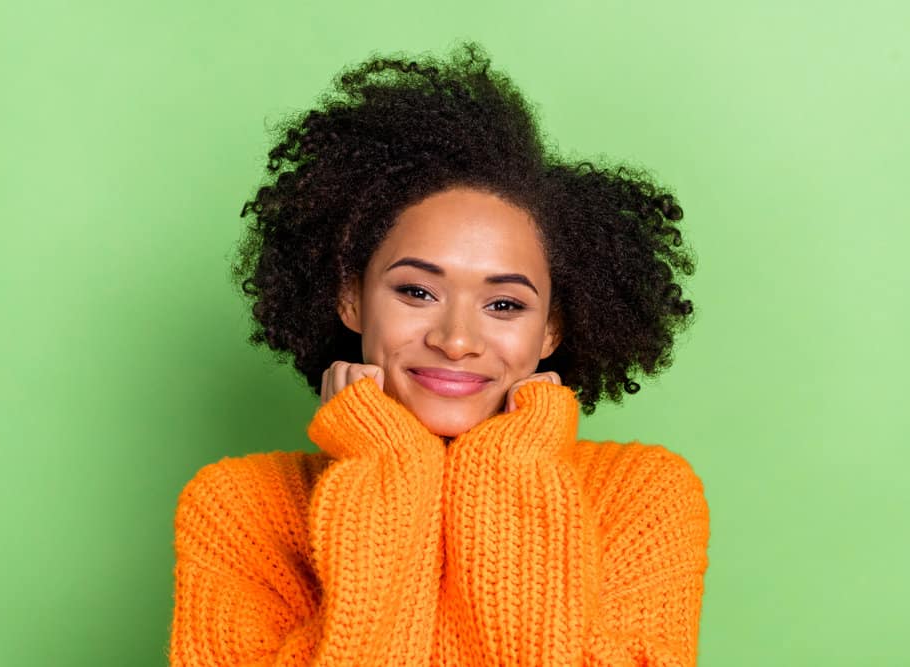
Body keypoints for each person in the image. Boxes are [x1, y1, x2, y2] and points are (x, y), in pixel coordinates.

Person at [168, 42, 709, 666]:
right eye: (417, 291)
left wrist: (509, 461)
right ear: (351, 299)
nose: (455, 340)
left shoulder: (641, 498)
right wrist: (387, 468)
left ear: (551, 332)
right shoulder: (239, 508)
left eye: (505, 305)